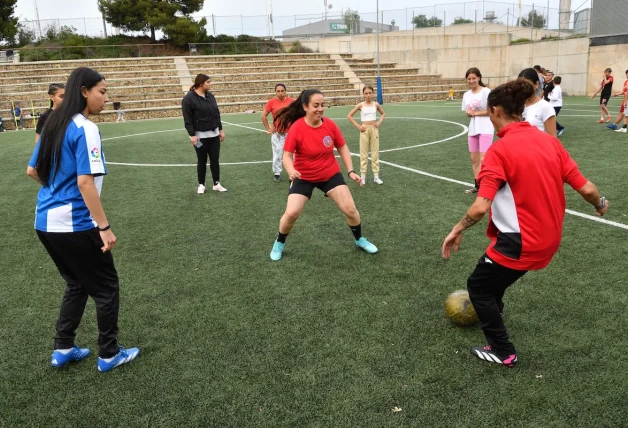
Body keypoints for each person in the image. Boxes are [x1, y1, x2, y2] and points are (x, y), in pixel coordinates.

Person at [441, 78, 609, 368]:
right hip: (550, 238)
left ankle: (503, 350)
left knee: (477, 287)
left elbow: (481, 207)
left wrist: (456, 229)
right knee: (496, 277)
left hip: (520, 242)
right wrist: (600, 205)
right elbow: (589, 190)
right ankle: (496, 309)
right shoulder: (549, 142)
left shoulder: (499, 151)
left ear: (495, 111)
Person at [26, 67, 140, 373]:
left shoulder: (52, 124)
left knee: (76, 283)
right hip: (76, 224)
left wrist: (55, 193)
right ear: (84, 92)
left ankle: (63, 347)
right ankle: (109, 354)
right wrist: (104, 227)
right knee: (106, 288)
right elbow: (85, 183)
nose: (106, 98)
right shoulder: (84, 128)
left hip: (45, 222)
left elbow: (33, 171)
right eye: (102, 91)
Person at [268, 89, 378, 261]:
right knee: (292, 213)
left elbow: (342, 147)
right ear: (305, 106)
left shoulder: (330, 125)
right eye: (316, 105)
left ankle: (359, 239)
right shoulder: (297, 128)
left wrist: (350, 171)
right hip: (303, 176)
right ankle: (279, 242)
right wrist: (291, 171)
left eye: (322, 105)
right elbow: (287, 156)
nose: (320, 109)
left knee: (350, 209)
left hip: (329, 174)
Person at [182, 74, 227, 194]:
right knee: (201, 160)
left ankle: (216, 183)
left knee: (215, 159)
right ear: (201, 84)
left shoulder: (210, 96)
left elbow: (216, 114)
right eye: (208, 82)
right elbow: (188, 119)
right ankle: (201, 184)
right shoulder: (189, 98)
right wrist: (192, 135)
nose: (210, 84)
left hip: (214, 136)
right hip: (200, 138)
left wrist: (220, 130)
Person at [462, 67, 494, 194]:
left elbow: (491, 110)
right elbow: (467, 111)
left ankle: (489, 185)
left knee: (484, 159)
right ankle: (478, 185)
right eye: (469, 79)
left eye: (474, 78)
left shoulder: (486, 92)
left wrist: (475, 113)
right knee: (474, 159)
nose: (471, 81)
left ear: (479, 78)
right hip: (473, 129)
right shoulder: (466, 95)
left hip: (486, 127)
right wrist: (470, 114)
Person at [347, 85, 386, 185]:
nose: (368, 95)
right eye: (366, 93)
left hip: (374, 129)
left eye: (370, 93)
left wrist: (379, 122)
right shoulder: (361, 105)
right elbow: (349, 115)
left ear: (373, 93)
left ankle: (376, 176)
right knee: (363, 153)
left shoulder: (376, 104)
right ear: (363, 94)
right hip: (364, 130)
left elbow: (383, 114)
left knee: (375, 152)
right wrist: (358, 126)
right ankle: (363, 176)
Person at [261, 83, 295, 182]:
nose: (280, 93)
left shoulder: (292, 102)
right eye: (278, 91)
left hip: (291, 133)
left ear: (285, 91)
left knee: (294, 154)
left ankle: (293, 172)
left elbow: (300, 114)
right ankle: (277, 173)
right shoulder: (271, 102)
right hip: (278, 134)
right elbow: (263, 116)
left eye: (282, 91)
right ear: (275, 92)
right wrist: (268, 128)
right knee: (277, 154)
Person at [518, 68, 557, 137]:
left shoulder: (545, 107)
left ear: (536, 84)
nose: (523, 89)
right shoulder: (515, 105)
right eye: (520, 85)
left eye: (527, 85)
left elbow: (553, 138)